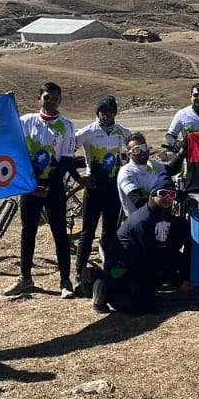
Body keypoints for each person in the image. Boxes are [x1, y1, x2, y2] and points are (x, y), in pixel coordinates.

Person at [6, 82, 87, 299]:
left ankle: (65, 281)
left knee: (59, 234)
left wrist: (47, 186)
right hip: (29, 187)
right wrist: (34, 186)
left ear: (60, 100)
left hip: (54, 188)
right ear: (39, 98)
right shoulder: (25, 122)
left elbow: (66, 162)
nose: (50, 102)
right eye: (46, 97)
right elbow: (17, 154)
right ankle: (25, 277)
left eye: (55, 98)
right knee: (28, 231)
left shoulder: (67, 126)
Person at [90, 180, 193, 314]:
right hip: (123, 267)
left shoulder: (165, 215)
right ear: (153, 195)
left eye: (171, 194)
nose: (168, 198)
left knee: (172, 261)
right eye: (163, 193)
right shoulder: (142, 221)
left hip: (142, 262)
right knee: (141, 307)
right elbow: (152, 256)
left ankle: (145, 289)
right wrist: (177, 282)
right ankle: (103, 282)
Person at [73, 95, 130, 284]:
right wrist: (78, 175)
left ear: (115, 113)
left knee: (110, 233)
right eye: (103, 110)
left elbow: (134, 148)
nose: (107, 114)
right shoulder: (88, 131)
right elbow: (67, 150)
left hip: (113, 190)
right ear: (97, 112)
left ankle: (109, 273)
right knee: (87, 233)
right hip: (94, 190)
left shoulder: (121, 131)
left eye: (111, 111)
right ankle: (78, 274)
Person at [116, 132, 183, 220]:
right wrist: (166, 197)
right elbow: (137, 201)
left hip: (157, 217)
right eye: (137, 150)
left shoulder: (151, 164)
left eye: (144, 147)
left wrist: (181, 153)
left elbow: (172, 170)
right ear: (129, 155)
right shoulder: (127, 172)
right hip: (138, 221)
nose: (142, 152)